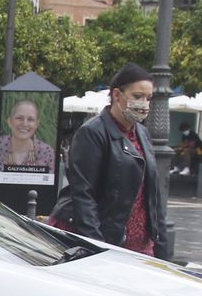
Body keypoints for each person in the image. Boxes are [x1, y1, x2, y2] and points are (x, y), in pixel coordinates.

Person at [47, 63, 164, 255]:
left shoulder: (142, 134)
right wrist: (98, 247)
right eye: (137, 96)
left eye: (148, 98)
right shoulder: (92, 132)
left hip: (139, 244)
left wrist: (161, 244)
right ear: (117, 95)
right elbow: (83, 195)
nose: (144, 104)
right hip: (102, 240)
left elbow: (152, 195)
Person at [0, 98, 54, 170]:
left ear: (36, 124)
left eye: (30, 119)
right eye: (19, 118)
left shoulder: (46, 152)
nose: (25, 124)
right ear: (10, 121)